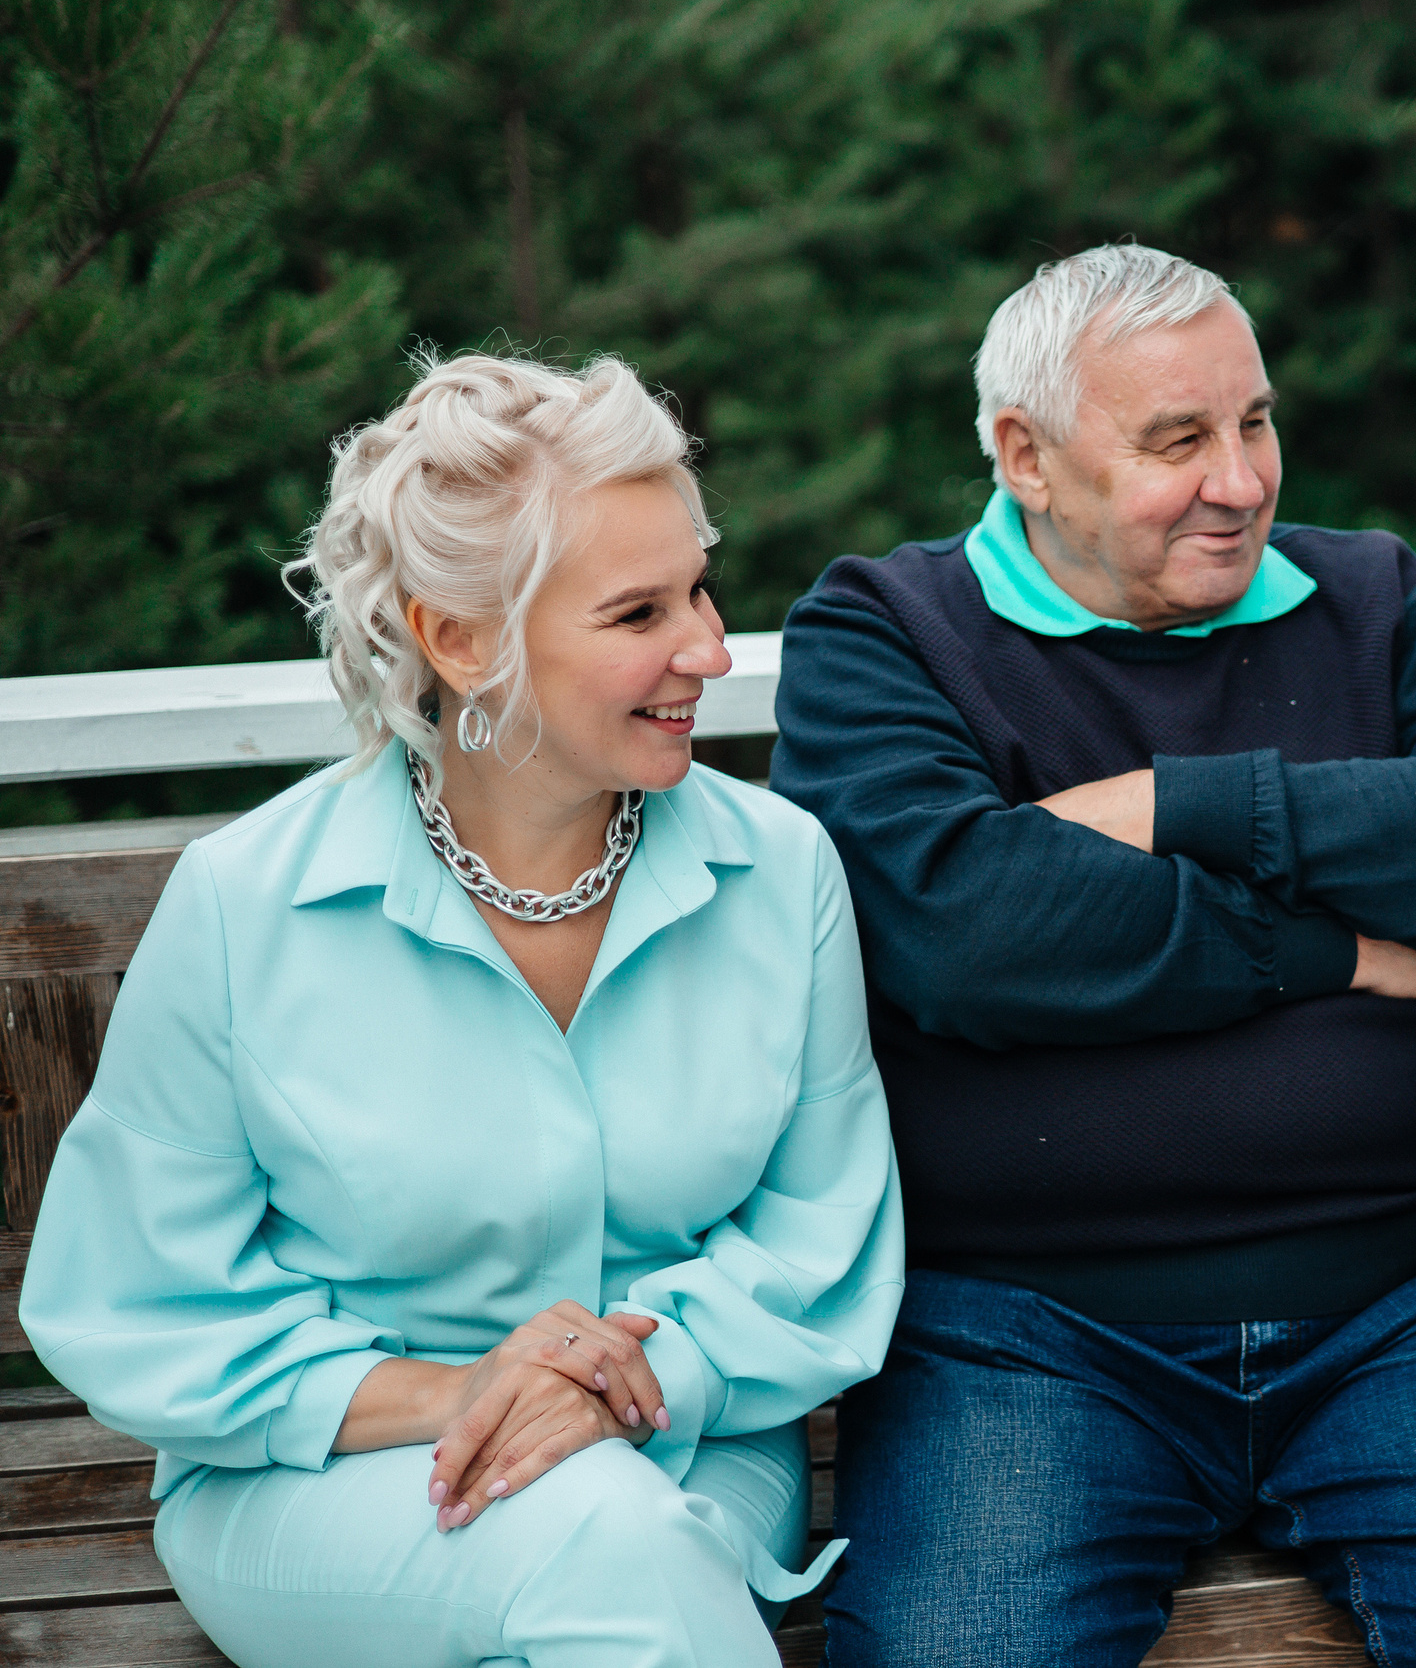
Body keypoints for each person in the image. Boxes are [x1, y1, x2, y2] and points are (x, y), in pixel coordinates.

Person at [770, 243, 1416, 1667]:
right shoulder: (888, 634)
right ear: (1026, 454)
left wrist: (1180, 804)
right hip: (1027, 1336)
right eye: (1177, 439)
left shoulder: (1372, 599)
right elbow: (966, 933)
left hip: (1407, 1307)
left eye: (1255, 422)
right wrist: (1333, 951)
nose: (1244, 479)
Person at [20, 353, 904, 1668]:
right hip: (316, 1486)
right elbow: (141, 1307)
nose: (711, 648)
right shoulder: (244, 907)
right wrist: (467, 1392)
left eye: (701, 588)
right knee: (615, 1550)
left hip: (698, 1446)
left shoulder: (783, 877)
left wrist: (621, 1392)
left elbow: (821, 1240)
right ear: (463, 636)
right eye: (638, 612)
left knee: (620, 1555)